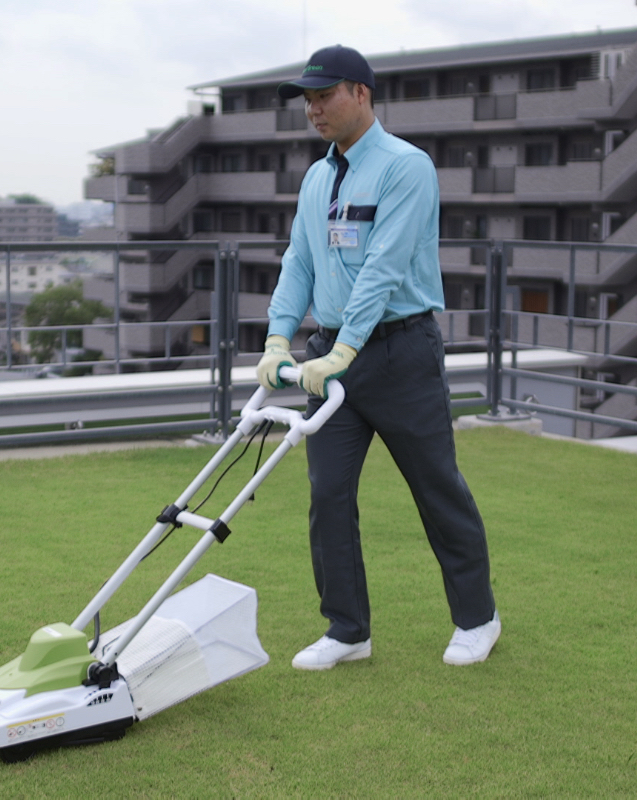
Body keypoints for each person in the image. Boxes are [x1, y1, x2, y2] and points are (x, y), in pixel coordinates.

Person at [256, 45, 500, 670]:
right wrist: (278, 337)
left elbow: (384, 269)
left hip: (398, 354)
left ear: (361, 94)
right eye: (307, 99)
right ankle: (347, 630)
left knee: (436, 487)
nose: (313, 109)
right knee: (327, 494)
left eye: (324, 95)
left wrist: (344, 349)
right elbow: (301, 261)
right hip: (330, 359)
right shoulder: (317, 176)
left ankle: (478, 618)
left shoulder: (405, 167)